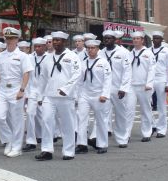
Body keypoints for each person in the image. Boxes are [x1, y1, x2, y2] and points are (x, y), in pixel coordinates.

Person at [34, 31, 81, 161]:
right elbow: (43, 78)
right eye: (54, 40)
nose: (55, 42)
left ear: (64, 42)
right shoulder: (48, 57)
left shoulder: (72, 56)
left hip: (66, 96)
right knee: (46, 121)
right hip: (49, 96)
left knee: (67, 124)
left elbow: (77, 75)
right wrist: (40, 96)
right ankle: (47, 150)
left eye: (58, 40)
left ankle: (68, 151)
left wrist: (66, 89)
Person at [0, 27, 33, 157]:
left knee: (17, 120)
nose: (9, 40)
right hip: (3, 89)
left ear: (17, 39)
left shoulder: (22, 56)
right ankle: (9, 140)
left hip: (16, 89)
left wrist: (22, 90)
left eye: (11, 38)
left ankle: (16, 147)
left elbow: (26, 73)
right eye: (7, 38)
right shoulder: (0, 56)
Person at [75, 39, 112, 154]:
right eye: (88, 48)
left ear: (97, 49)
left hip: (98, 95)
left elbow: (108, 79)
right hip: (85, 95)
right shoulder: (84, 62)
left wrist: (104, 94)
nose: (90, 50)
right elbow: (79, 81)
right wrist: (77, 95)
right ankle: (82, 144)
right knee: (81, 119)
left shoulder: (103, 62)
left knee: (101, 120)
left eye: (93, 48)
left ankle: (102, 144)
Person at [99, 30, 133, 148]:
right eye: (105, 38)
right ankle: (102, 142)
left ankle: (123, 138)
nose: (107, 40)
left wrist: (124, 88)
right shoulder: (100, 53)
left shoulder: (123, 52)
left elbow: (127, 71)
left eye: (109, 38)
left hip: (118, 88)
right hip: (104, 89)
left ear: (115, 40)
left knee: (120, 114)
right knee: (102, 114)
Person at [129, 31, 156, 142]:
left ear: (142, 40)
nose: (135, 40)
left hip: (144, 86)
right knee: (129, 110)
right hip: (132, 86)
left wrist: (149, 83)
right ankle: (126, 133)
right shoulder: (130, 53)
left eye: (138, 38)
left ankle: (146, 132)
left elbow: (152, 69)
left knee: (145, 110)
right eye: (134, 39)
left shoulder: (148, 53)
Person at [23, 37, 47, 152]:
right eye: (35, 46)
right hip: (32, 90)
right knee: (30, 113)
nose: (37, 49)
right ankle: (31, 141)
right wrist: (26, 93)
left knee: (43, 116)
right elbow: (26, 75)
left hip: (45, 91)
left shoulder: (49, 58)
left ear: (44, 47)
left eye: (39, 46)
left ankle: (44, 136)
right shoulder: (29, 57)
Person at [151, 31, 168, 137]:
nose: (155, 40)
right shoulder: (148, 51)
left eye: (157, 38)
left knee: (161, 105)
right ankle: (152, 125)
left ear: (161, 40)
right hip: (150, 80)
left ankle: (162, 129)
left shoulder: (167, 51)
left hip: (162, 79)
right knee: (147, 104)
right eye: (154, 38)